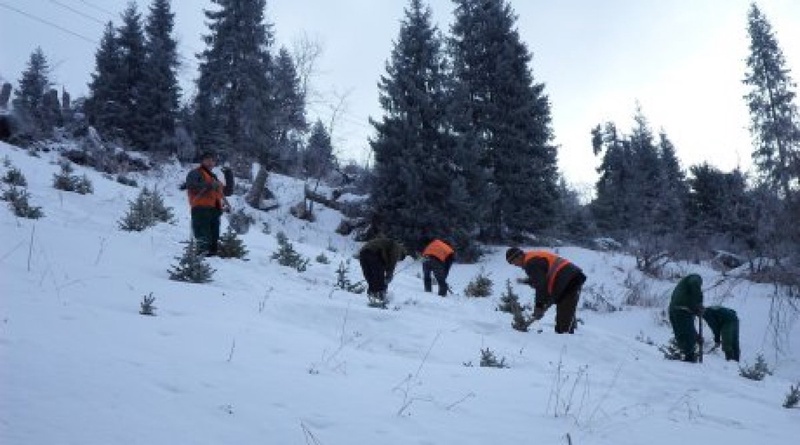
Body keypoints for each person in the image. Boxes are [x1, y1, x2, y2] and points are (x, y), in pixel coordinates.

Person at [506, 247, 586, 334]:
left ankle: (565, 338)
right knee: (565, 308)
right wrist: (529, 281)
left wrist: (539, 306)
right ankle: (570, 328)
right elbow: (542, 276)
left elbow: (541, 285)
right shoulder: (532, 258)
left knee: (563, 318)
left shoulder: (530, 263)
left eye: (513, 262)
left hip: (568, 280)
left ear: (518, 256)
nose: (515, 265)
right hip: (569, 278)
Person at [185, 152, 232, 256]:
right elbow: (191, 186)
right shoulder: (195, 173)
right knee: (202, 233)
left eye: (212, 160)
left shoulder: (214, 177)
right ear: (202, 161)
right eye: (208, 159)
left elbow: (226, 192)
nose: (210, 162)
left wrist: (229, 175)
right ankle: (202, 255)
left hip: (215, 210)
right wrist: (208, 185)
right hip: (201, 208)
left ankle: (212, 255)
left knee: (214, 235)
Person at [358, 235, 407, 304]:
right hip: (373, 252)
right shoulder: (397, 248)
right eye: (399, 259)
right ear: (401, 254)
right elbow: (392, 262)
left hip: (363, 253)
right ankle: (381, 297)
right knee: (379, 276)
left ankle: (372, 295)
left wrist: (387, 271)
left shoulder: (388, 246)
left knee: (370, 276)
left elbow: (385, 261)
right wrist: (389, 275)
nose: (397, 260)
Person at [668, 274, 704, 362]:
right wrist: (699, 303)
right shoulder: (695, 277)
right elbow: (694, 282)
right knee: (687, 336)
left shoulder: (682, 288)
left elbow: (688, 329)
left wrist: (696, 337)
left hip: (673, 310)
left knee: (681, 334)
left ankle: (686, 357)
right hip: (682, 310)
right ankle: (689, 359)